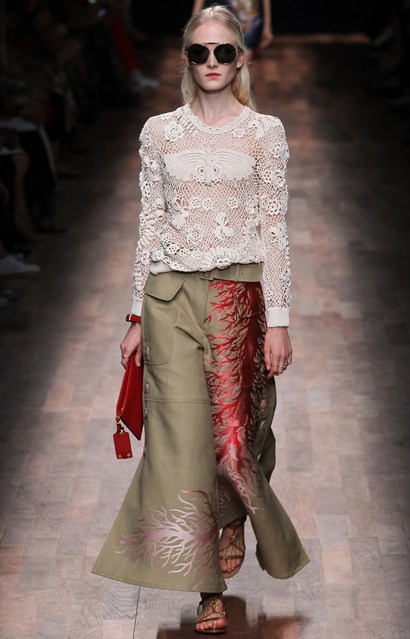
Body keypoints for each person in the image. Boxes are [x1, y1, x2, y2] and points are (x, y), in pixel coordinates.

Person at [92, 5, 308, 634]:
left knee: (235, 439)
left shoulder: (264, 132)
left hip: (239, 296)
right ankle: (207, 585)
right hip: (170, 298)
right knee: (181, 445)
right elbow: (150, 225)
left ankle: (236, 517)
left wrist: (279, 319)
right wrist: (136, 313)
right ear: (186, 59)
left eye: (223, 52)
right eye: (199, 52)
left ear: (241, 59)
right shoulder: (160, 132)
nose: (211, 62)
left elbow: (274, 228)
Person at [192, 0, 273, 59]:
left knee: (243, 55)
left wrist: (267, 25)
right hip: (219, 7)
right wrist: (193, 23)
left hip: (247, 12)